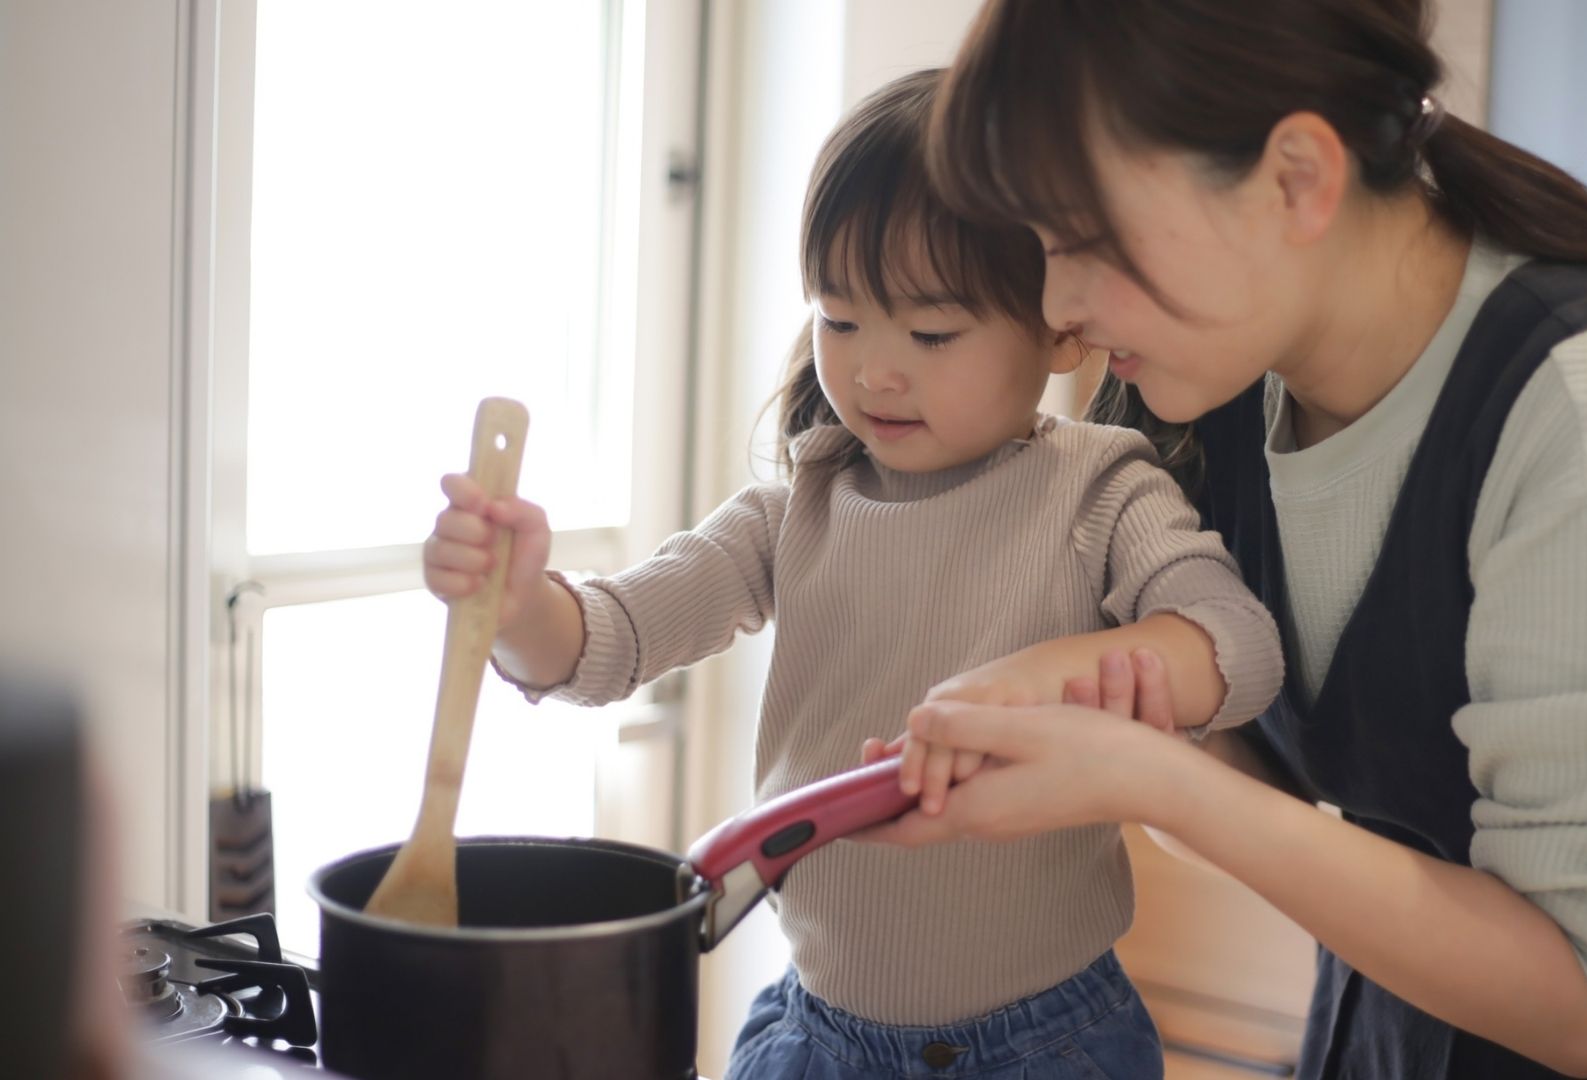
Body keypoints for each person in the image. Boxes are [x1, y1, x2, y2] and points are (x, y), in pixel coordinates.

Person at [865, 2, 1587, 1077]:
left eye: (1083, 242)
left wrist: (1152, 779)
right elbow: (1275, 788)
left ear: (1297, 180)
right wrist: (1134, 722)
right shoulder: (1207, 373)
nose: (1057, 307)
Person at [421, 69, 1283, 1079]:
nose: (875, 371)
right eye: (839, 320)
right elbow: (606, 644)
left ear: (1059, 323)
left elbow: (1240, 646)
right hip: (814, 1035)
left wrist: (1075, 675)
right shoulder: (804, 505)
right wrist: (518, 603)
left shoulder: (1100, 489)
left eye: (930, 334)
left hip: (1050, 1044)